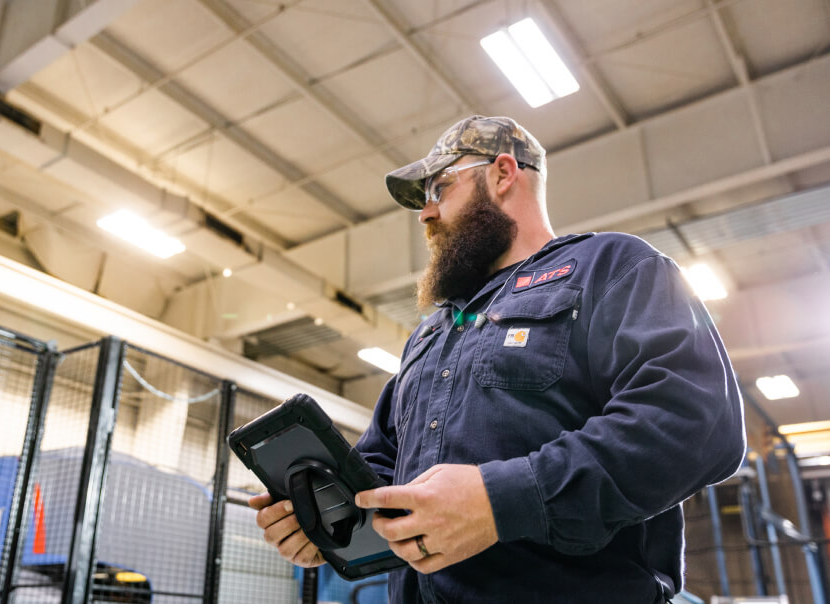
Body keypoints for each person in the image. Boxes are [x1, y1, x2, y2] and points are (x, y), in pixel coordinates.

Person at [249, 115, 746, 603]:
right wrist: (327, 520)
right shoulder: (431, 332)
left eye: (440, 188)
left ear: (503, 174)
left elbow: (694, 422)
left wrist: (500, 501)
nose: (425, 214)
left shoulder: (612, 267)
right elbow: (383, 465)